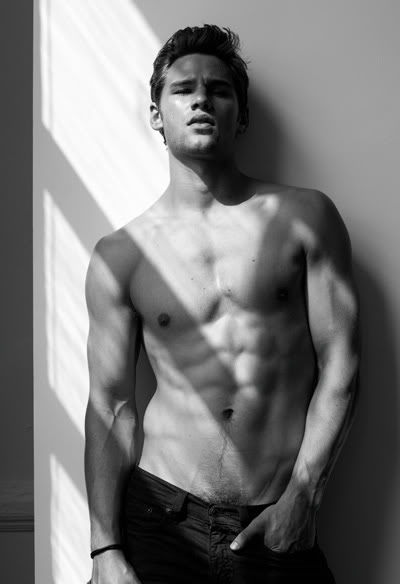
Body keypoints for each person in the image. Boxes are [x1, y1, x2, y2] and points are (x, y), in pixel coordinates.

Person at [84, 24, 360, 584]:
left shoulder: (305, 217)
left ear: (242, 115)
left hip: (275, 518)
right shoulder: (121, 254)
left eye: (219, 89)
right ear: (156, 115)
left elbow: (342, 364)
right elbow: (111, 408)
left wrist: (305, 494)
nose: (202, 99)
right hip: (158, 520)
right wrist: (104, 549)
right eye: (184, 89)